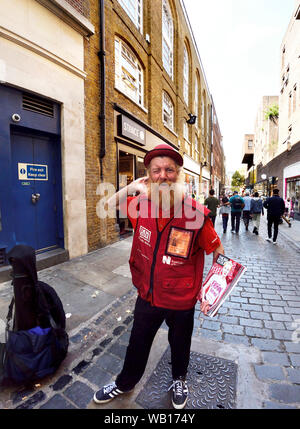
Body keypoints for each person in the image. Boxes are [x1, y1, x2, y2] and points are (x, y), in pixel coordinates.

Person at [93, 143, 224, 409]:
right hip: (148, 294)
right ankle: (124, 383)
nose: (163, 175)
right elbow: (106, 205)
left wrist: (213, 290)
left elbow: (217, 250)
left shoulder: (196, 214)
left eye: (169, 170)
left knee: (180, 344)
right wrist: (132, 187)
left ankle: (179, 379)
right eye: (156, 171)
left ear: (179, 175)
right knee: (137, 344)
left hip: (182, 299)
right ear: (148, 175)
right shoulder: (140, 205)